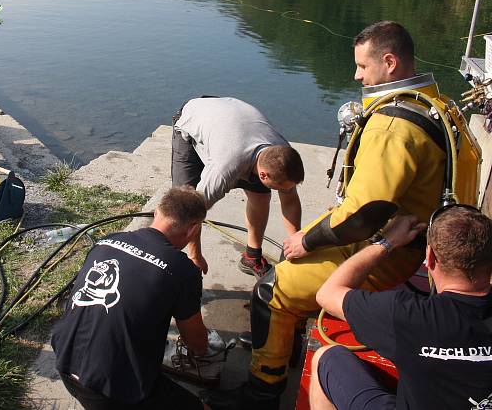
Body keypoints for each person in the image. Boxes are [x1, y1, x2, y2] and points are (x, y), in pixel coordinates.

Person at [205, 21, 472, 409]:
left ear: (390, 62)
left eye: (363, 67)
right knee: (292, 254)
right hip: (418, 238)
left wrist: (307, 239)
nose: (356, 75)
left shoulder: (394, 126)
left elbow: (364, 214)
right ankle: (282, 343)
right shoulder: (436, 102)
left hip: (389, 250)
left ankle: (263, 388)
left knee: (269, 288)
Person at [310, 206, 492, 410]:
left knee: (325, 359)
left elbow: (326, 294)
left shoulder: (407, 315)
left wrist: (387, 242)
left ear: (429, 257)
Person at [51, 186, 213, 410]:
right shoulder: (183, 271)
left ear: (157, 212)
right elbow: (197, 344)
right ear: (193, 230)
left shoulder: (106, 242)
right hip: (111, 390)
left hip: (64, 363)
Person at [172, 97, 304, 277]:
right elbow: (192, 212)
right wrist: (196, 256)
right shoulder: (225, 168)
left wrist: (296, 241)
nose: (283, 191)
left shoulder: (281, 154)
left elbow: (289, 201)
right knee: (184, 200)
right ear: (263, 175)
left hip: (230, 119)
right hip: (193, 119)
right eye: (279, 188)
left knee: (261, 197)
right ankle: (182, 260)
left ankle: (252, 258)